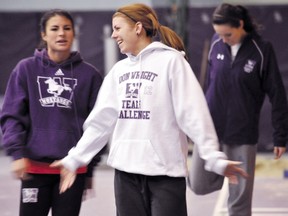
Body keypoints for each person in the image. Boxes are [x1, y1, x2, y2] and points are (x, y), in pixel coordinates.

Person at [52, 3, 247, 216]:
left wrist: (213, 157)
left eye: (118, 28)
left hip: (165, 174)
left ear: (137, 28)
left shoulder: (172, 62)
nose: (113, 35)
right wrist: (75, 158)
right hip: (126, 175)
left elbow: (193, 114)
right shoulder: (118, 72)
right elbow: (100, 123)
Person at [0, 9, 103, 216]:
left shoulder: (90, 75)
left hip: (72, 169)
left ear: (74, 34)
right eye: (54, 29)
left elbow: (98, 125)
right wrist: (17, 153)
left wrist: (89, 168)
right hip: (34, 169)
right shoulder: (25, 69)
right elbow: (12, 116)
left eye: (67, 28)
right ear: (44, 35)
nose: (61, 34)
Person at [204, 3, 288, 216]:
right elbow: (208, 85)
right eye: (219, 35)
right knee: (197, 184)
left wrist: (280, 137)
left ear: (241, 25)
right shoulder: (216, 44)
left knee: (239, 203)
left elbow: (277, 94)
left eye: (228, 34)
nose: (223, 39)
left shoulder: (262, 50)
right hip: (212, 131)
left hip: (243, 134)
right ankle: (223, 172)